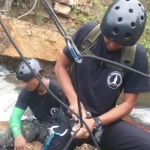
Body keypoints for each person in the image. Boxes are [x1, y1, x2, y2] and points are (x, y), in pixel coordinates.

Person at [55, 0, 150, 149]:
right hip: (70, 117)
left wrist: (97, 121)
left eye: (119, 44)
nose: (112, 45)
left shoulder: (137, 55)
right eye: (109, 39)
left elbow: (128, 103)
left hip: (103, 124)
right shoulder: (87, 33)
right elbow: (60, 66)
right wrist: (74, 101)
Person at [0, 58, 71, 150]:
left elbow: (70, 118)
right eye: (23, 81)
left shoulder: (58, 90)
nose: (24, 85)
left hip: (59, 129)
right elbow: (15, 117)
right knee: (5, 138)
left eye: (27, 80)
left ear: (38, 75)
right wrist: (18, 135)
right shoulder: (26, 93)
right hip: (40, 125)